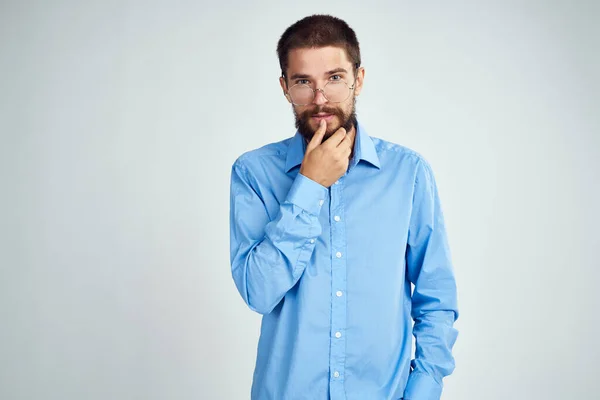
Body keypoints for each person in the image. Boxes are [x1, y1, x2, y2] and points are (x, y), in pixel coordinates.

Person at [229, 14, 459, 400]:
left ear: (359, 79)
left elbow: (437, 297)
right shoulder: (253, 173)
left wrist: (424, 387)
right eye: (304, 82)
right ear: (286, 87)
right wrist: (309, 185)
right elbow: (258, 292)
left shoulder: (409, 174)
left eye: (334, 78)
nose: (320, 99)